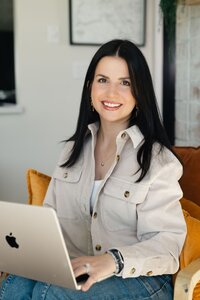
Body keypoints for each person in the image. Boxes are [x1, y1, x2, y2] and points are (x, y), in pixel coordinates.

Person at [0, 39, 186, 300]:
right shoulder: (72, 152)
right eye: (103, 80)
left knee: (50, 293)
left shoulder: (158, 160)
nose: (111, 93)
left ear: (139, 92)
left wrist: (112, 261)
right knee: (15, 286)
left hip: (140, 280)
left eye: (125, 82)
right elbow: (49, 222)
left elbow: (167, 244)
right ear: (90, 87)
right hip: (78, 267)